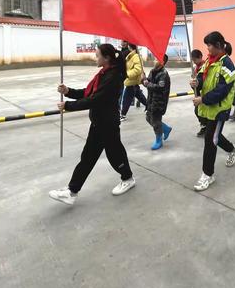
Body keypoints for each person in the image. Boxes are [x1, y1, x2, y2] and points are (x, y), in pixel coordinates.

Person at [49, 44, 135, 206]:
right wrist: (68, 91)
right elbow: (88, 92)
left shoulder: (113, 77)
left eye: (97, 56)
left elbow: (95, 100)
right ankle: (72, 191)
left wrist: (68, 106)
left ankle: (127, 178)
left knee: (113, 154)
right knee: (90, 157)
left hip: (107, 124)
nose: (96, 58)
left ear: (107, 58)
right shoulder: (103, 74)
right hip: (99, 123)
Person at [190, 32, 235, 191]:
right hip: (208, 108)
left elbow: (222, 90)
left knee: (210, 140)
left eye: (209, 45)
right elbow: (201, 77)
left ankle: (208, 174)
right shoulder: (209, 61)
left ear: (219, 45)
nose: (207, 48)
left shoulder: (228, 65)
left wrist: (203, 99)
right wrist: (195, 82)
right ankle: (232, 149)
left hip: (219, 109)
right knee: (214, 136)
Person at [143, 54, 172, 150]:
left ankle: (159, 140)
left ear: (162, 62)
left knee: (155, 122)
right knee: (148, 118)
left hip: (159, 102)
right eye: (155, 58)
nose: (155, 60)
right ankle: (166, 129)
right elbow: (148, 82)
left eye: (157, 59)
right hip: (151, 100)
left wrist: (148, 84)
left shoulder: (164, 74)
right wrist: (143, 80)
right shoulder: (153, 71)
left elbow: (159, 88)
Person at [120, 43, 144, 120]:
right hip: (132, 81)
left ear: (130, 47)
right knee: (139, 95)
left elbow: (138, 69)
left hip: (132, 80)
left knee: (126, 98)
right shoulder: (130, 56)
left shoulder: (135, 56)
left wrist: (127, 74)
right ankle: (149, 106)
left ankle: (123, 115)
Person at [191, 49, 206, 137]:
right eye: (193, 60)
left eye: (195, 60)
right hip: (197, 92)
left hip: (204, 93)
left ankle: (205, 127)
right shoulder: (195, 67)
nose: (194, 62)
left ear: (200, 57)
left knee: (199, 111)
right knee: (198, 111)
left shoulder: (205, 66)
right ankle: (204, 126)